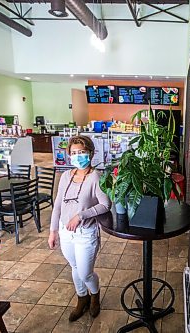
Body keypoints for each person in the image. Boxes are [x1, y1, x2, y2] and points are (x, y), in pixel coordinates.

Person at [48, 135, 111, 321]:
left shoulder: (96, 177)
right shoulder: (66, 175)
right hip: (65, 231)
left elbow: (105, 204)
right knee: (74, 267)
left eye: (81, 152)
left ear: (90, 153)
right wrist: (53, 231)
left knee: (85, 272)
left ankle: (95, 295)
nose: (77, 156)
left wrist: (81, 215)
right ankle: (81, 299)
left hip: (86, 233)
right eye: (74, 153)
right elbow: (58, 205)